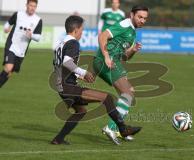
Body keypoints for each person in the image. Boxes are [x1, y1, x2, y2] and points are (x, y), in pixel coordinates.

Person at [51, 15, 141, 145]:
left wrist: (77, 75)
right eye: (82, 29)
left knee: (81, 111)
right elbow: (66, 62)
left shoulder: (61, 43)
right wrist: (84, 72)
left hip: (61, 87)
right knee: (107, 98)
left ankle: (58, 139)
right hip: (68, 87)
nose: (82, 32)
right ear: (76, 30)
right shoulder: (73, 43)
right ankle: (123, 129)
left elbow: (58, 64)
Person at [93, 5, 149, 145]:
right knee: (128, 93)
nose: (142, 20)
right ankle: (112, 128)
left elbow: (125, 57)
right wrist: (106, 56)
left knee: (126, 95)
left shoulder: (132, 32)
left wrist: (133, 50)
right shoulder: (125, 24)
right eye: (140, 17)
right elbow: (102, 36)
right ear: (132, 15)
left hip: (113, 62)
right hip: (106, 62)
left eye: (145, 18)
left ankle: (119, 129)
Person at [0, 0, 42, 88]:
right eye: (31, 5)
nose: (32, 8)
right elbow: (8, 24)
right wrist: (6, 28)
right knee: (8, 68)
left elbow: (38, 37)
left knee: (9, 73)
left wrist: (31, 35)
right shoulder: (18, 14)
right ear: (26, 5)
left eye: (34, 6)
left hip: (22, 51)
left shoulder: (38, 20)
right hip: (11, 45)